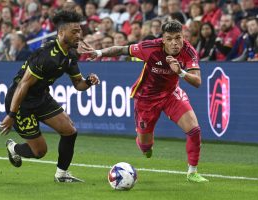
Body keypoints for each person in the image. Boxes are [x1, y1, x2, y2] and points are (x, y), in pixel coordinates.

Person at [82, 20, 208, 183]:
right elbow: (122, 49)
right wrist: (98, 53)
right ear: (162, 39)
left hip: (171, 94)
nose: (174, 43)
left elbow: (197, 82)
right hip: (146, 99)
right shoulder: (150, 48)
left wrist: (181, 72)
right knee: (145, 146)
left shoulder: (188, 51)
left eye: (178, 38)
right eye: (169, 38)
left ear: (183, 37)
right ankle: (145, 146)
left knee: (194, 130)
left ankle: (192, 172)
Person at [0, 10, 100, 183]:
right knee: (40, 152)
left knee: (70, 131)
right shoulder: (46, 55)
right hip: (21, 101)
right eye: (74, 32)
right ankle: (14, 148)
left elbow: (78, 85)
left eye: (80, 31)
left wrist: (89, 81)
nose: (79, 35)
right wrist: (11, 114)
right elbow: (23, 85)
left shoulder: (69, 55)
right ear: (61, 33)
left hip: (41, 97)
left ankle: (61, 174)